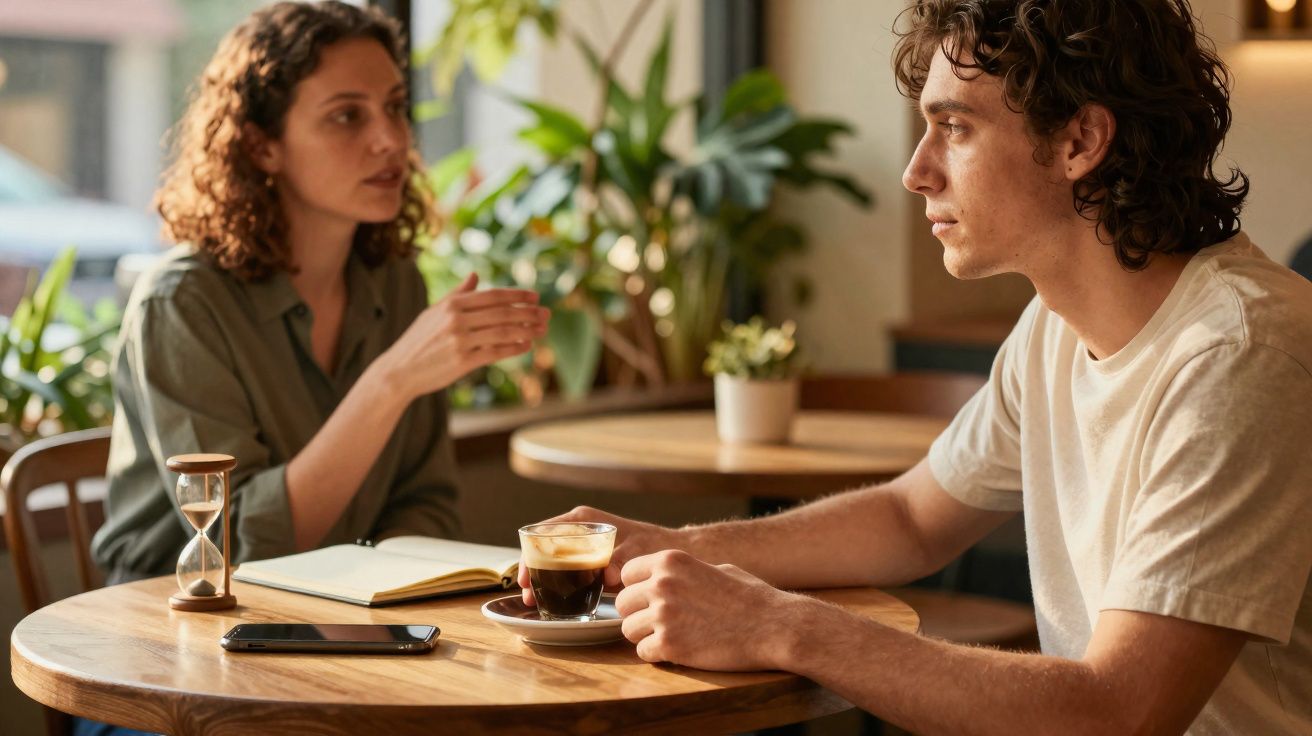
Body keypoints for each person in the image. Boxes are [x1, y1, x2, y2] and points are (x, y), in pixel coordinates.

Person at [519, 1, 1312, 733]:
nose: (916, 170)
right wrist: (671, 543)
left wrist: (775, 623)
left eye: (954, 128)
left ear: (1080, 141)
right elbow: (911, 519)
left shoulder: (1241, 353)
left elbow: (1119, 713)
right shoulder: (1052, 328)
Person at [91, 1, 548, 584]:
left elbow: (425, 501)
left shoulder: (395, 281)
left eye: (395, 108)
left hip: (341, 621)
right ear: (262, 147)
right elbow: (233, 546)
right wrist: (392, 381)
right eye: (346, 116)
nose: (390, 139)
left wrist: (385, 597)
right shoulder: (182, 303)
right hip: (176, 635)